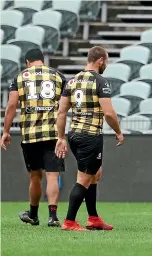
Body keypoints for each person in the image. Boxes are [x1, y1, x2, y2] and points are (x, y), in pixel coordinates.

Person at [54, 46, 123, 231]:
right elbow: (108, 113)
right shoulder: (100, 81)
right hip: (90, 135)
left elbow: (61, 112)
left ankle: (93, 218)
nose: (106, 64)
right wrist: (118, 131)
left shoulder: (72, 81)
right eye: (106, 61)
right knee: (84, 178)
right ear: (100, 60)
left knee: (95, 173)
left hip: (74, 134)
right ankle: (69, 221)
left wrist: (61, 137)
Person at [1, 49, 66, 227]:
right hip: (53, 133)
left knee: (35, 176)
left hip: (30, 135)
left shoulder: (20, 77)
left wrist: (6, 131)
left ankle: (34, 214)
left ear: (28, 62)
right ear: (42, 60)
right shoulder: (57, 75)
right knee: (53, 175)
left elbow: (12, 105)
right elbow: (65, 104)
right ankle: (53, 216)